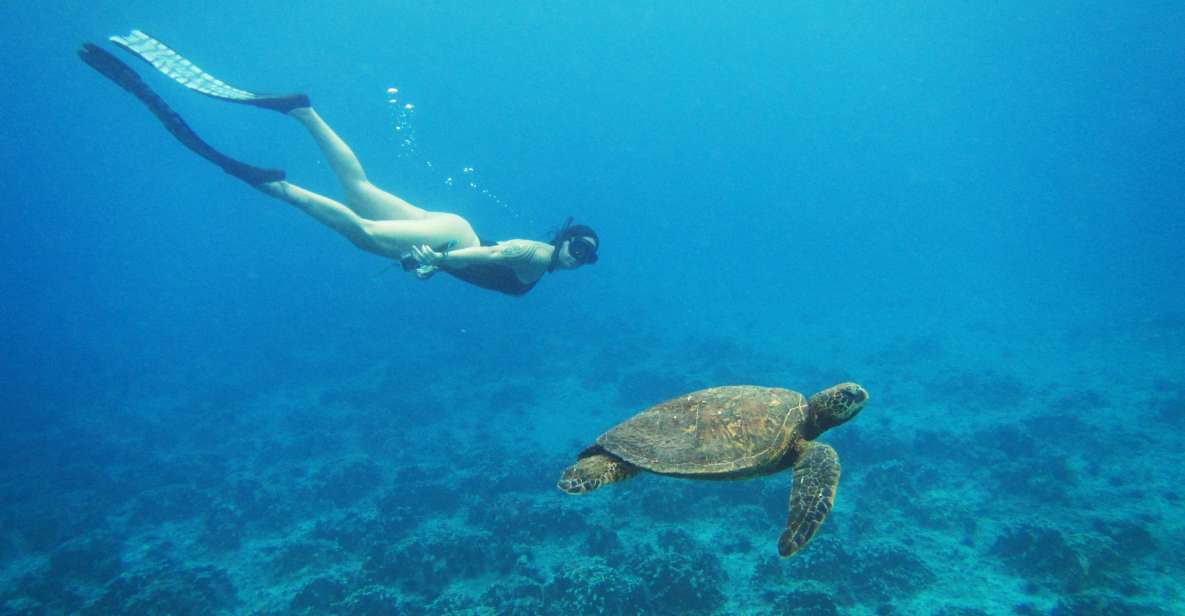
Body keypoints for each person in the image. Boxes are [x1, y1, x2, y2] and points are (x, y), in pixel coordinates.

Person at [78, 30, 598, 296]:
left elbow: (483, 261)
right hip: (452, 240)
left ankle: (303, 111)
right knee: (366, 233)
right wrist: (438, 262)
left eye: (586, 257)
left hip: (453, 231)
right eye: (579, 246)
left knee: (358, 188)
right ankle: (279, 188)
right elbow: (487, 259)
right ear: (564, 238)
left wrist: (436, 267)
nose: (579, 257)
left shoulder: (540, 260)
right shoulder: (536, 255)